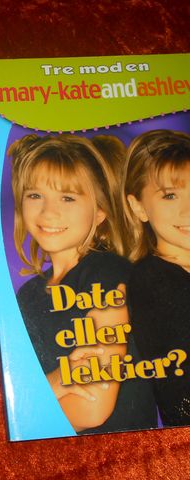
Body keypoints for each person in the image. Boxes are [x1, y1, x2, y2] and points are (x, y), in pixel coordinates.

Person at [11, 134, 156, 434]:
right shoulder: (27, 295)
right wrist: (54, 383)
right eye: (34, 195)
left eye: (68, 197)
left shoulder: (107, 273)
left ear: (100, 211)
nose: (48, 212)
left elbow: (91, 409)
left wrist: (22, 414)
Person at [123, 129, 190, 426]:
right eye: (170, 195)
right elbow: (177, 392)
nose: (187, 210)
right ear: (138, 207)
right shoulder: (150, 281)